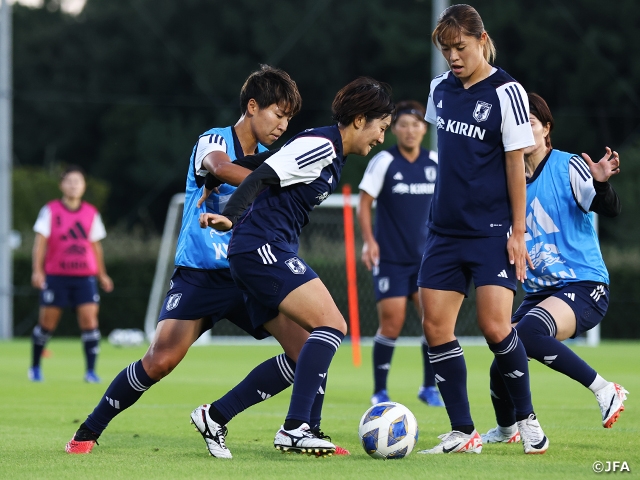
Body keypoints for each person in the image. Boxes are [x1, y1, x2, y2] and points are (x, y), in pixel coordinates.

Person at [65, 65, 342, 458]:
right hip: (200, 275)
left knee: (309, 346)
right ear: (252, 106)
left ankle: (301, 430)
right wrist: (265, 176)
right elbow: (217, 167)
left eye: (289, 119)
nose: (283, 126)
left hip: (249, 274)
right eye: (278, 115)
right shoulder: (215, 140)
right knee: (160, 361)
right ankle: (86, 433)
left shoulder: (273, 158)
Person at [200, 76, 395, 455]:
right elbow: (262, 175)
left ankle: (217, 416)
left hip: (260, 249)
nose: (381, 138)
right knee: (333, 325)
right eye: (381, 128)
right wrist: (231, 214)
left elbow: (263, 160)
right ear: (359, 120)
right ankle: (296, 427)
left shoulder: (324, 147)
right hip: (262, 247)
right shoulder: (321, 146)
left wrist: (214, 175)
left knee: (303, 347)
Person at [416, 4, 548, 455]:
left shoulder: (508, 91)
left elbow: (516, 165)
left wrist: (517, 231)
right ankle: (462, 431)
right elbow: (448, 156)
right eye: (446, 49)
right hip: (444, 233)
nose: (453, 56)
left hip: (492, 231)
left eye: (461, 47)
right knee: (435, 327)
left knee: (495, 328)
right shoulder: (439, 90)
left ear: (482, 39)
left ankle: (526, 418)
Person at [481, 93, 628, 444]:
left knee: (528, 335)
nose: (523, 131)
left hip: (584, 285)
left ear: (547, 129)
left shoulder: (568, 165)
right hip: (540, 292)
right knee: (503, 349)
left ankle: (606, 389)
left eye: (530, 123)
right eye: (517, 126)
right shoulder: (507, 180)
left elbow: (609, 208)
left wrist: (602, 184)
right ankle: (506, 431)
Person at [357, 100, 443, 407]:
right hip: (391, 259)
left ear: (424, 129)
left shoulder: (436, 162)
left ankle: (429, 387)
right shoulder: (384, 162)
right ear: (393, 129)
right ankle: (379, 390)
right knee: (391, 323)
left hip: (428, 260)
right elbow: (364, 203)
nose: (410, 130)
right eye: (403, 125)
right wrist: (369, 241)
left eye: (416, 125)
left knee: (433, 323)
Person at [30, 165, 114, 383]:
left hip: (84, 276)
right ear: (61, 185)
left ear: (84, 186)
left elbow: (96, 246)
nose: (73, 185)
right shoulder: (50, 210)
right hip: (56, 275)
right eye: (69, 181)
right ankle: (36, 367)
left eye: (78, 181)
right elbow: (40, 244)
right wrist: (37, 271)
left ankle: (91, 372)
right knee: (47, 324)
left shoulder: (91, 213)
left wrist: (102, 274)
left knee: (89, 321)